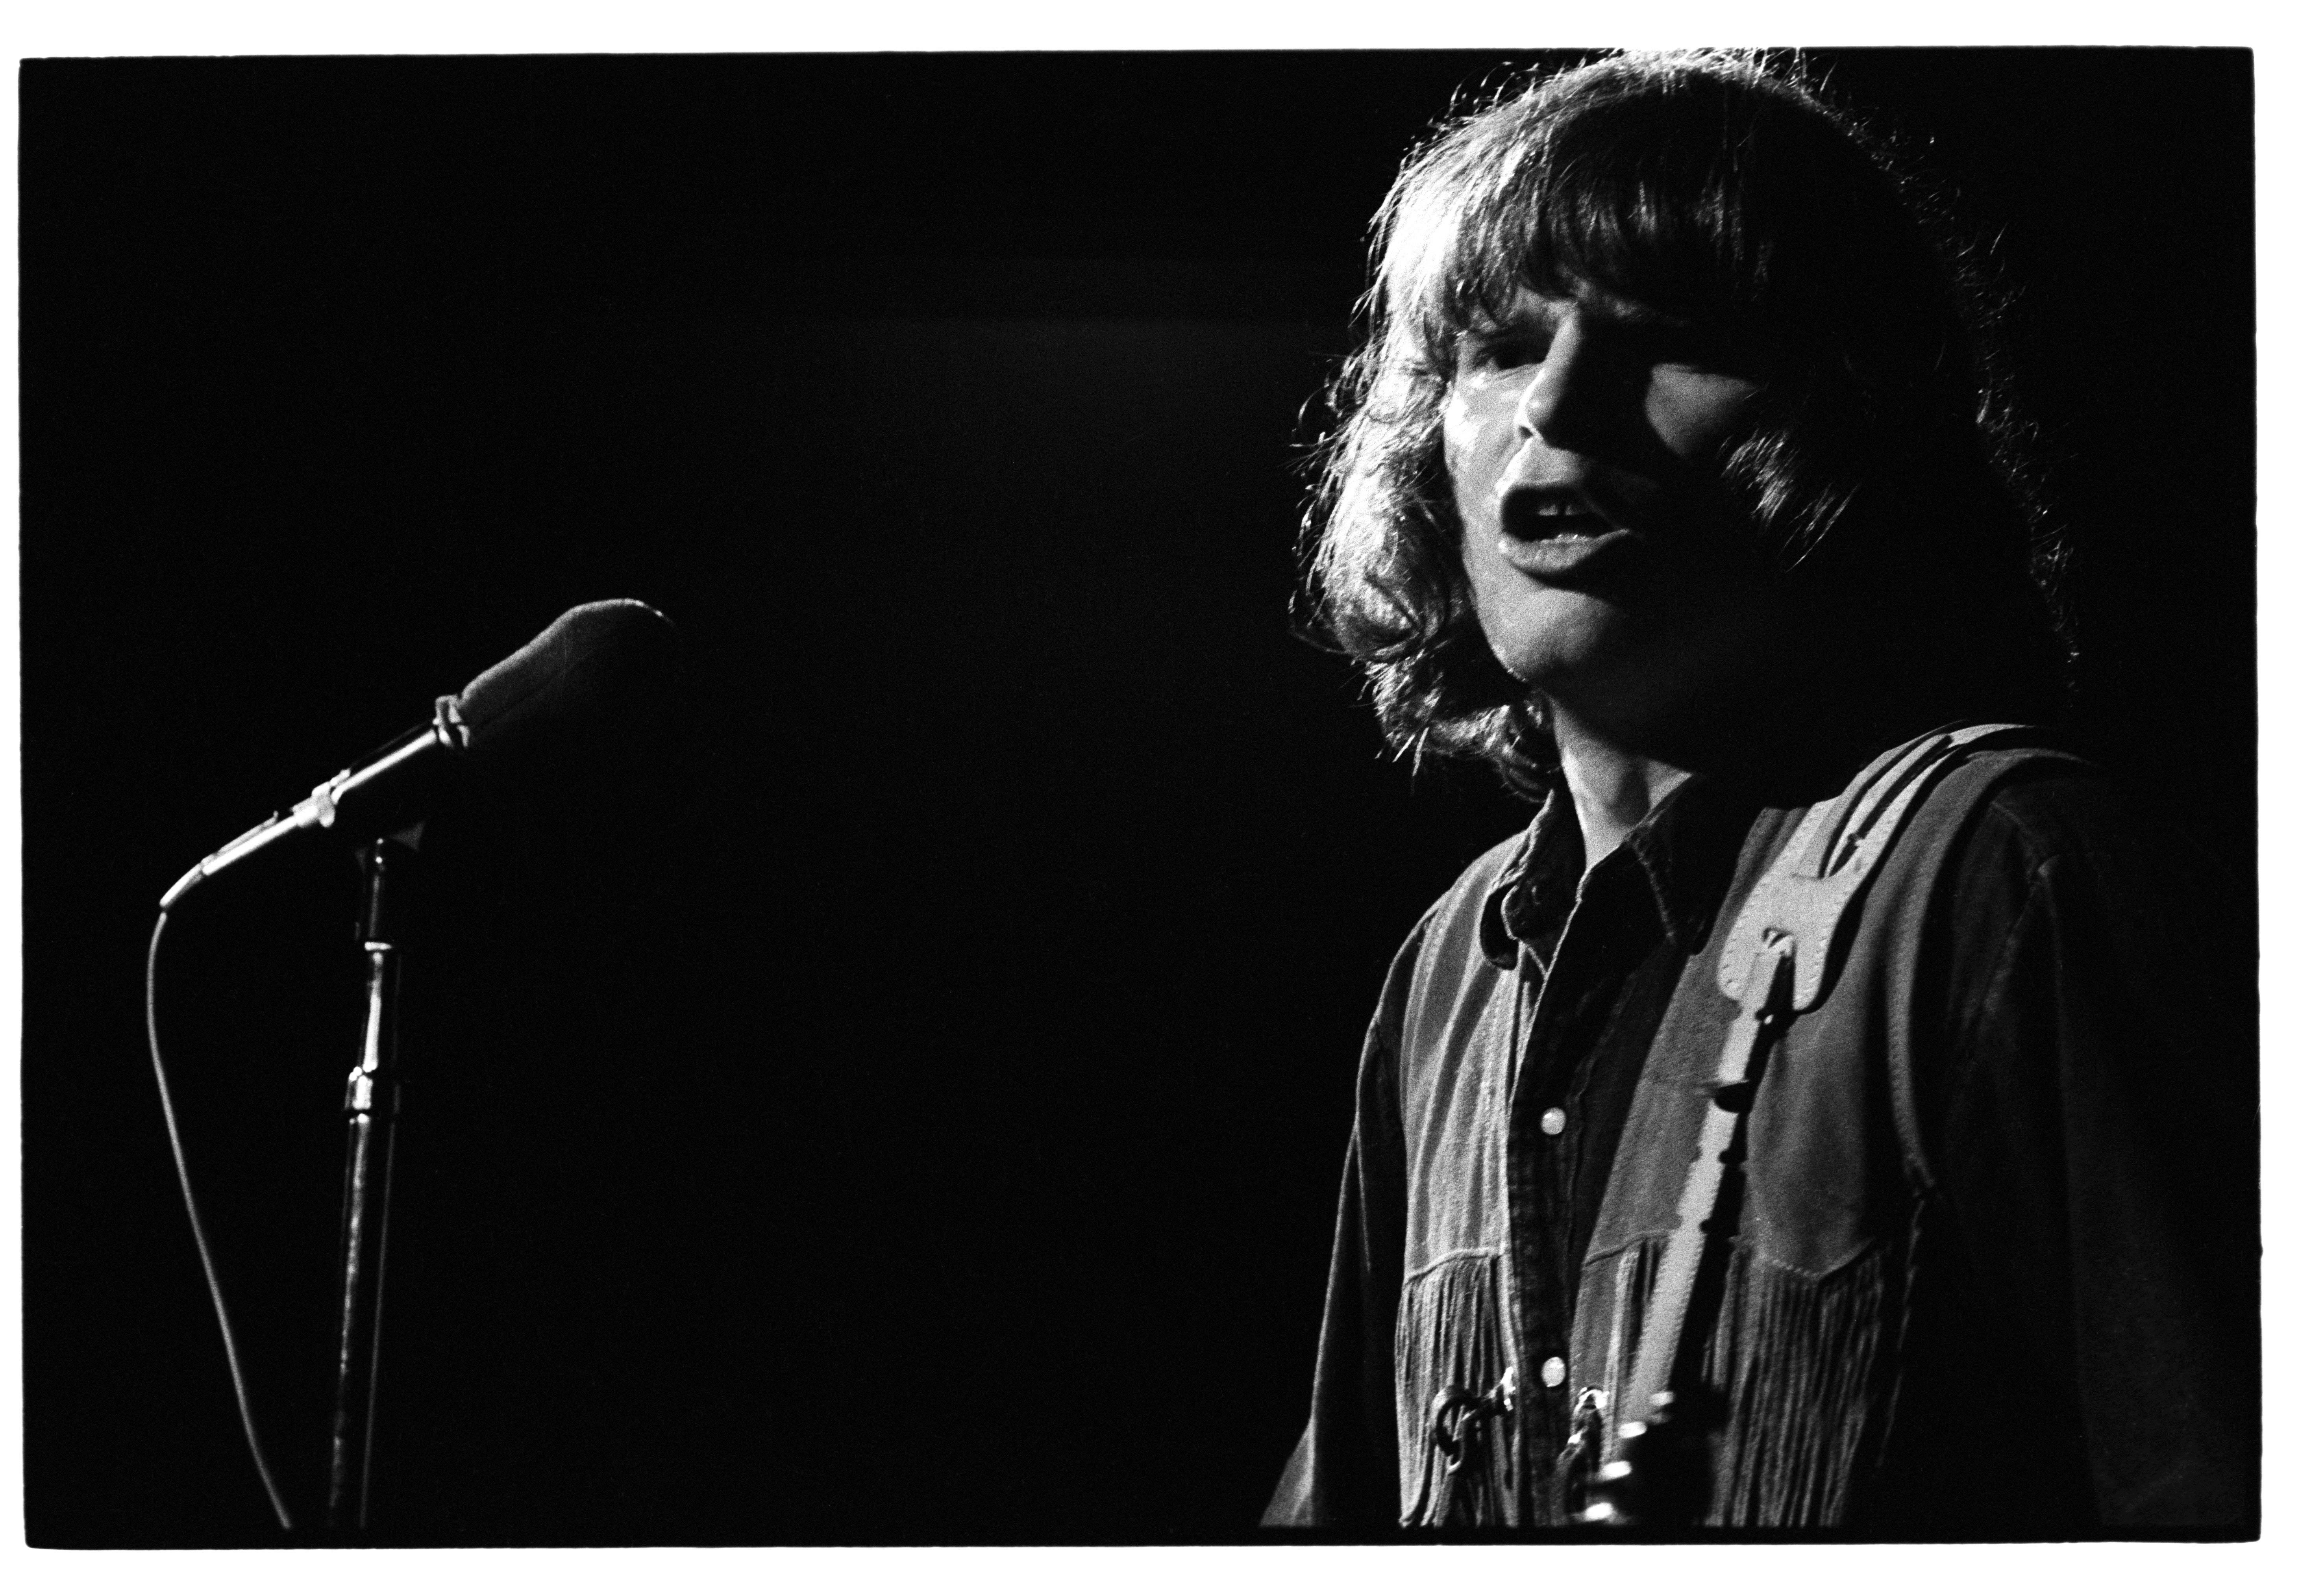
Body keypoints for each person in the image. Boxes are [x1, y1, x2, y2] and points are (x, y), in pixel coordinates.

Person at [1263, 51, 2256, 1534]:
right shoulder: (1446, 972)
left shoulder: (2004, 874)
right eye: (1497, 345)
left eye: (1668, 339)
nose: (1560, 407)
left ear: (1849, 430)